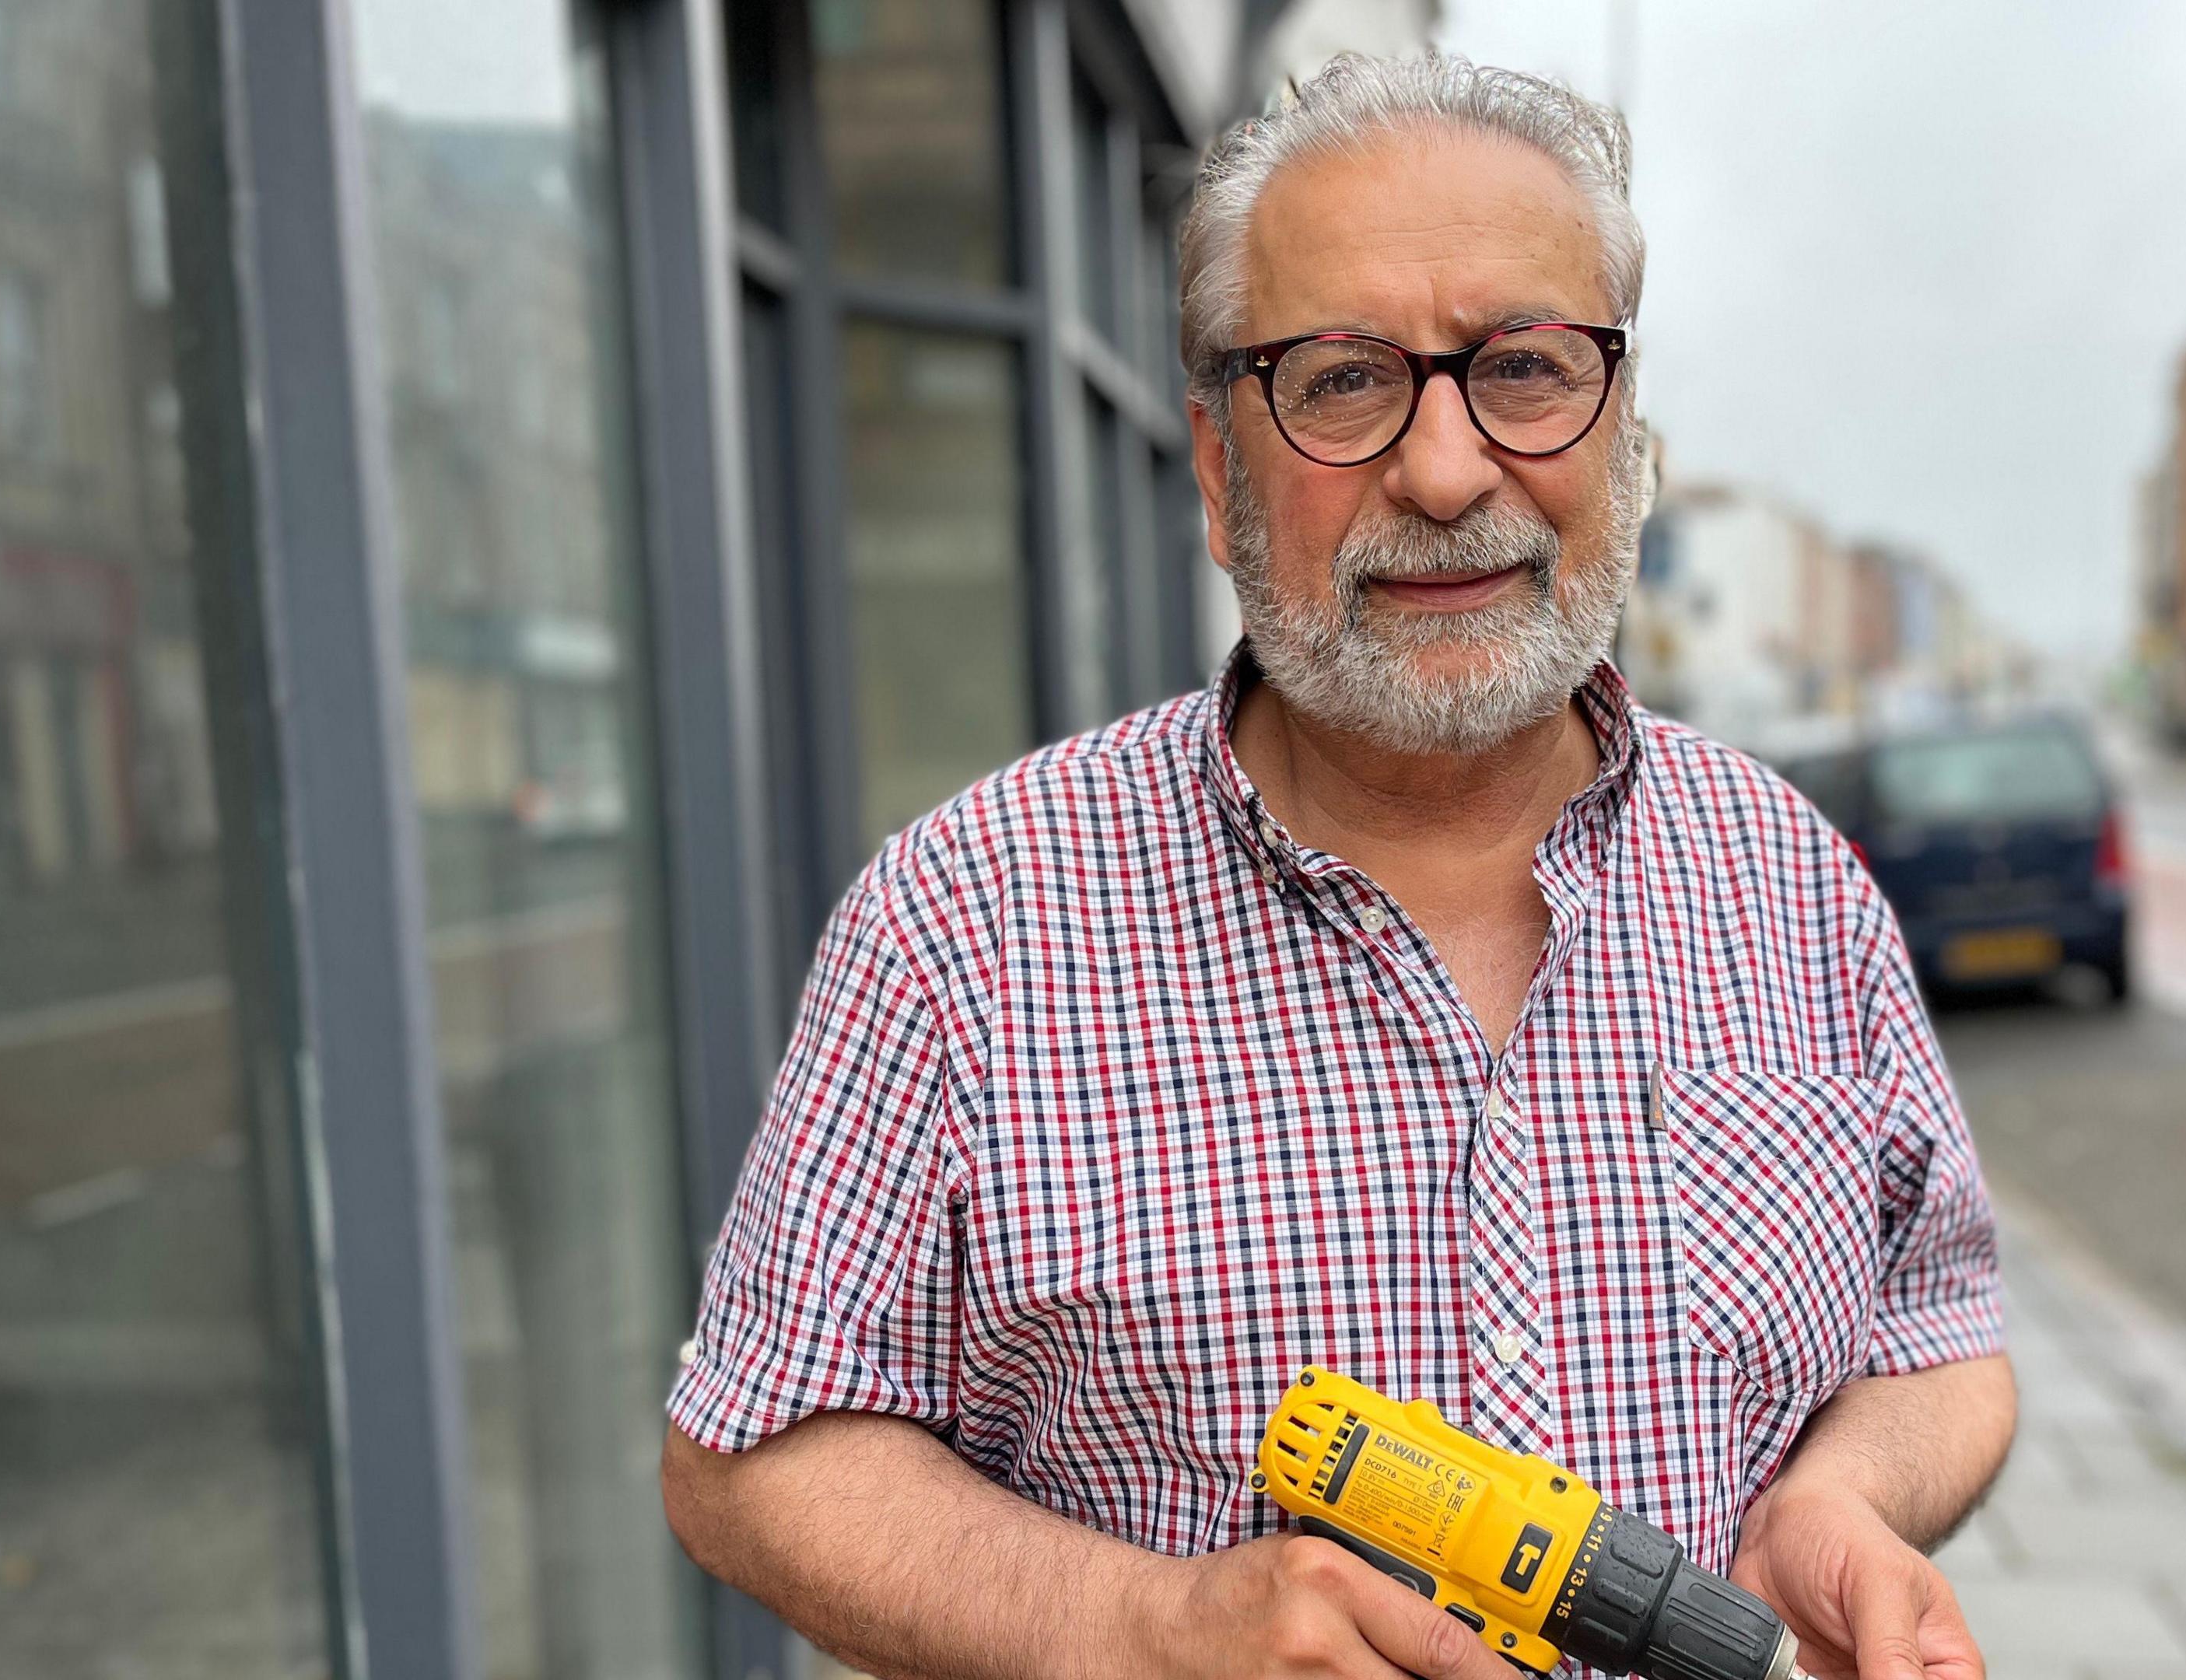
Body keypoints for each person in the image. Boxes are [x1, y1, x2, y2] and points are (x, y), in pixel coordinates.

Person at [661, 53, 2014, 1680]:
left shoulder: (1788, 878)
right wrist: (1148, 1632)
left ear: (1622, 426)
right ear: (1223, 465)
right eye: (1344, 381)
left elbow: (1940, 1334)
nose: (1446, 476)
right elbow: (751, 1462)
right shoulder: (968, 919)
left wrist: (1843, 1497)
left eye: (1522, 366)